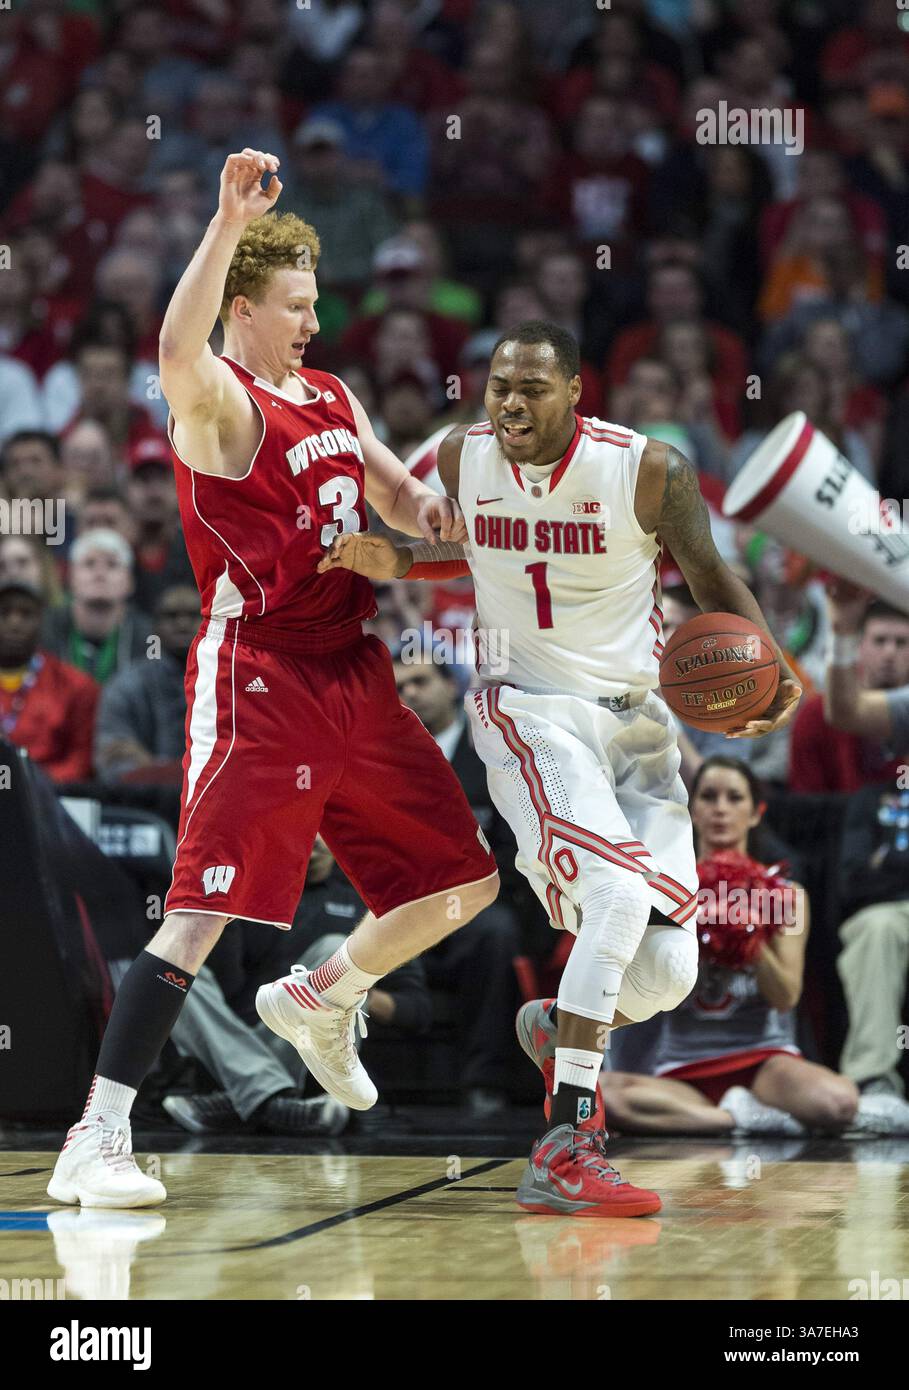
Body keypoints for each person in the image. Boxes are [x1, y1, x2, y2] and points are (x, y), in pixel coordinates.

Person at [47, 148, 498, 1211]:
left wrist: (470, 504)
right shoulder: (217, 406)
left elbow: (404, 504)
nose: (311, 320)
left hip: (356, 669)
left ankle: (323, 997)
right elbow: (170, 343)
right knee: (200, 916)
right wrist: (221, 220)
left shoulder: (333, 393)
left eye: (315, 301)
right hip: (260, 676)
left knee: (465, 882)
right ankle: (96, 1133)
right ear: (240, 308)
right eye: (293, 304)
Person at [319, 318, 802, 1217]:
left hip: (640, 728)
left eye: (532, 388)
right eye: (499, 384)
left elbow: (705, 574)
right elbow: (460, 541)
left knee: (667, 974)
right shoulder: (462, 458)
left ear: (576, 392)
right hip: (527, 710)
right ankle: (568, 1141)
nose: (509, 402)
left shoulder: (645, 468)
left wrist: (773, 664)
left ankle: (559, 1032)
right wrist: (397, 558)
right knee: (616, 900)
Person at [602, 757, 861, 1137]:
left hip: (764, 1063)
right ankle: (741, 1118)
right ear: (691, 811)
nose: (721, 808)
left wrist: (744, 937)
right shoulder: (663, 893)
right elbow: (639, 990)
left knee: (840, 1103)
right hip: (681, 1069)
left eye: (734, 798)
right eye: (708, 796)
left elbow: (787, 995)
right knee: (602, 1095)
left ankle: (721, 1116)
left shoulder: (788, 897)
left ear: (756, 813)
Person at [393, 654, 524, 1114]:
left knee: (498, 930)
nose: (409, 693)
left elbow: (515, 846)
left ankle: (484, 1080)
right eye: (400, 687)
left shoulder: (491, 755)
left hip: (475, 904)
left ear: (452, 686)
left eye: (420, 681)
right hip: (402, 904)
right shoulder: (386, 759)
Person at [790, 598, 909, 793]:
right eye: (880, 641)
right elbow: (805, 803)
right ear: (859, 646)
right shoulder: (816, 714)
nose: (889, 652)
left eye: (901, 642)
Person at [94, 584, 198, 784]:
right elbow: (113, 768)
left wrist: (152, 765)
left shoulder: (229, 684)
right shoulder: (125, 685)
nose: (183, 624)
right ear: (155, 625)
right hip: (142, 807)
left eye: (193, 615)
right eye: (171, 616)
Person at [0, 577, 98, 784]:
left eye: (26, 614)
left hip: (49, 802)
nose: (14, 623)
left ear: (42, 620)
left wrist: (28, 786)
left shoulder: (78, 686)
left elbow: (81, 762)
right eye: (4, 612)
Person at [43, 528, 154, 683]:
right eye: (89, 564)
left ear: (130, 581)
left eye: (112, 564)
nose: (100, 573)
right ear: (70, 577)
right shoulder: (44, 630)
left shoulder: (149, 636)